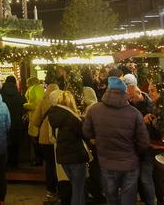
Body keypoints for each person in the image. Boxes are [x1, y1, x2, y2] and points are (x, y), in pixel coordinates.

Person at [84, 76, 149, 205]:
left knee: (111, 197)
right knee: (128, 199)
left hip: (106, 162)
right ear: (125, 93)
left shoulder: (93, 110)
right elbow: (144, 142)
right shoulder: (134, 113)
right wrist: (135, 153)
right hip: (130, 163)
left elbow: (86, 133)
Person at [47, 90, 88, 205]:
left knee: (75, 186)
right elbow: (84, 134)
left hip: (62, 156)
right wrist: (83, 121)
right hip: (76, 156)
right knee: (78, 189)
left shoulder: (54, 115)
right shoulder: (72, 118)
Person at [29, 82, 60, 201]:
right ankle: (60, 188)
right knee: (59, 164)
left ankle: (50, 190)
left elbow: (36, 121)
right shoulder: (62, 101)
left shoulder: (43, 102)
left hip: (45, 139)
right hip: (58, 137)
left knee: (50, 164)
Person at [0, 75, 25, 168]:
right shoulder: (18, 94)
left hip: (4, 122)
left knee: (6, 143)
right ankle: (15, 163)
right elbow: (23, 106)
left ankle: (6, 163)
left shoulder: (1, 94)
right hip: (16, 122)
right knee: (15, 144)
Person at [23, 76, 44, 165]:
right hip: (34, 116)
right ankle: (38, 158)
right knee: (35, 139)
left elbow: (37, 104)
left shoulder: (36, 89)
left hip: (35, 116)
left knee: (36, 139)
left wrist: (26, 105)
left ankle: (38, 159)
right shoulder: (37, 88)